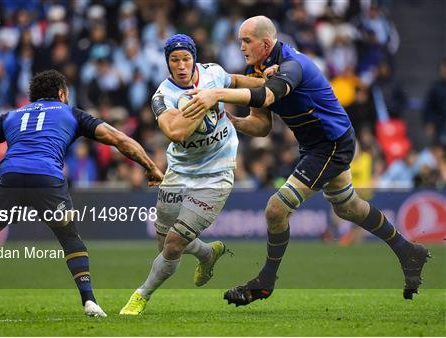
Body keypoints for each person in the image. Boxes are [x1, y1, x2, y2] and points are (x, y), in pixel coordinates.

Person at [181, 16, 430, 305]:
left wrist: (216, 94)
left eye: (246, 41)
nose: (241, 47)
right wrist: (229, 119)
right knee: (348, 208)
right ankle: (408, 251)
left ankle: (266, 282)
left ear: (265, 43)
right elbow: (261, 126)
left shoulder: (292, 65)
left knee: (276, 210)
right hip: (317, 145)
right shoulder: (258, 68)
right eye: (240, 41)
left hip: (331, 144)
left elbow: (267, 95)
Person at [0, 69, 164, 320]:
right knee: (71, 241)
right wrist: (151, 168)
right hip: (47, 180)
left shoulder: (12, 116)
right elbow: (119, 139)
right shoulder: (72, 113)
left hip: (10, 179)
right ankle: (89, 302)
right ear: (62, 93)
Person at [119, 34, 266, 315]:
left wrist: (268, 82)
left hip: (217, 174)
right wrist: (206, 103)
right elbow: (176, 132)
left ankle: (141, 295)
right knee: (163, 243)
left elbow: (236, 82)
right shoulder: (162, 96)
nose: (181, 65)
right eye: (175, 60)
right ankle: (208, 253)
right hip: (178, 172)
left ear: (194, 59)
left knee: (173, 245)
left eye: (186, 58)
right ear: (168, 63)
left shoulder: (213, 74)